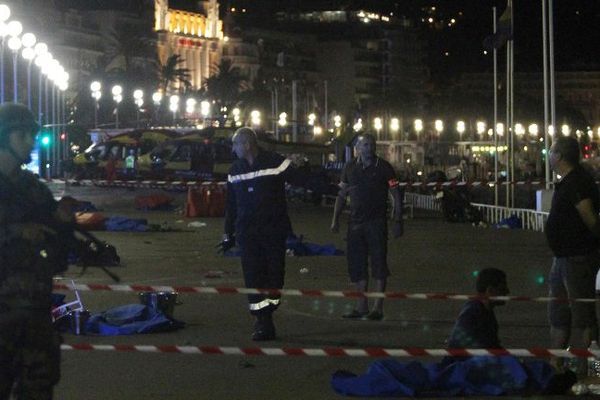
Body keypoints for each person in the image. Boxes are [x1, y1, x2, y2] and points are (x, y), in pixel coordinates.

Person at [0, 103, 74, 399]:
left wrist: (63, 226)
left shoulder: (34, 190)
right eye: (23, 135)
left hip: (34, 315)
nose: (32, 141)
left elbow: (58, 259)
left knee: (39, 387)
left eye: (32, 134)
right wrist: (15, 233)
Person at [219, 127, 293, 341]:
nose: (233, 150)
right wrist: (228, 235)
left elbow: (301, 178)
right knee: (253, 277)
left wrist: (335, 189)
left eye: (235, 145)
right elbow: (231, 206)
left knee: (275, 276)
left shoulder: (276, 162)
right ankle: (263, 322)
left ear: (247, 145)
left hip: (273, 231)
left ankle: (272, 301)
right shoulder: (234, 171)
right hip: (247, 233)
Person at [330, 133, 403, 321]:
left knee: (379, 263)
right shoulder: (350, 167)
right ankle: (361, 306)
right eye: (365, 145)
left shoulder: (385, 168)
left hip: (377, 223)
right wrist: (335, 219)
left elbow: (395, 193)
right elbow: (341, 194)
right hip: (355, 223)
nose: (369, 148)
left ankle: (377, 307)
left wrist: (397, 219)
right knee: (357, 264)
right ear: (358, 147)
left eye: (371, 144)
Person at [545, 136, 600, 374]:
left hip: (577, 257)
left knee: (583, 316)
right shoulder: (570, 181)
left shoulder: (577, 182)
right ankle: (556, 364)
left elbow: (591, 219)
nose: (548, 154)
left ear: (559, 156)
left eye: (551, 150)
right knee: (559, 313)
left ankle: (587, 370)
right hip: (563, 257)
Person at [447, 268, 509, 349]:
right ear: (490, 290)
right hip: (465, 360)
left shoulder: (485, 312)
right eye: (502, 289)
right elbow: (457, 344)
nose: (507, 292)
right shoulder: (472, 311)